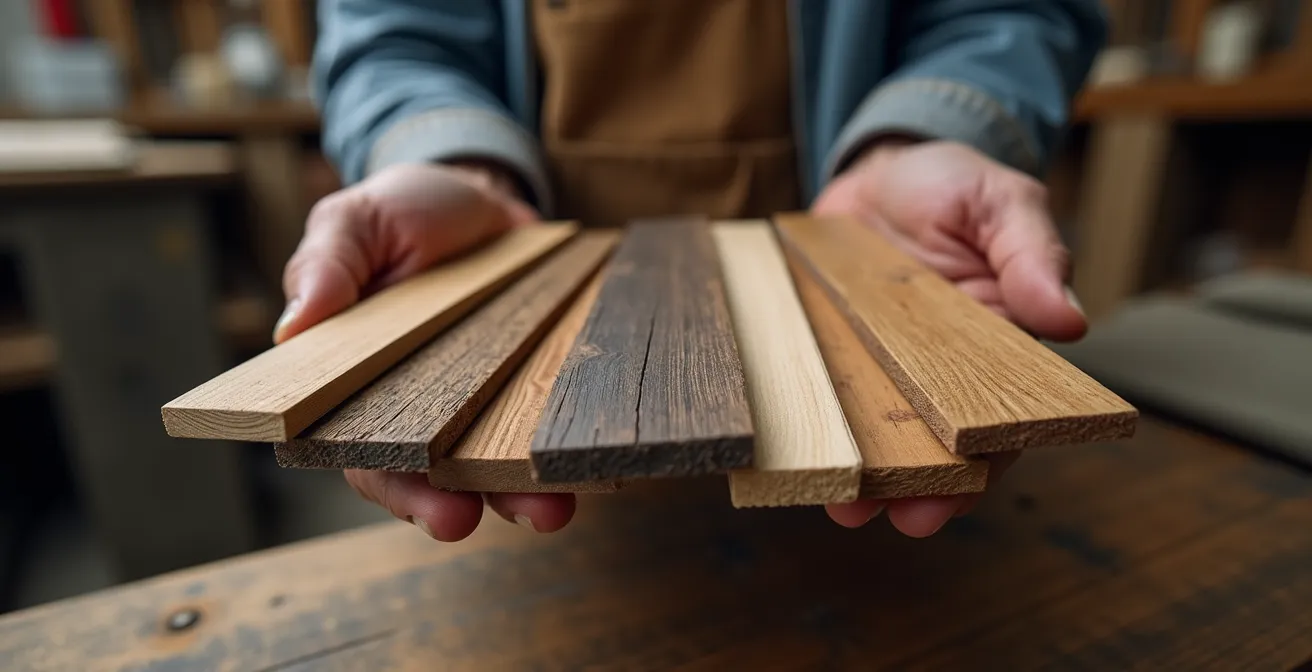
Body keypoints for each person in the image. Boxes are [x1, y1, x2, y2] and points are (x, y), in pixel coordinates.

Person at [278, 0, 1106, 542]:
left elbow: (1009, 14)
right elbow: (394, 37)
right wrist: (451, 161)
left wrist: (930, 129)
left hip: (857, 399)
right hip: (546, 410)